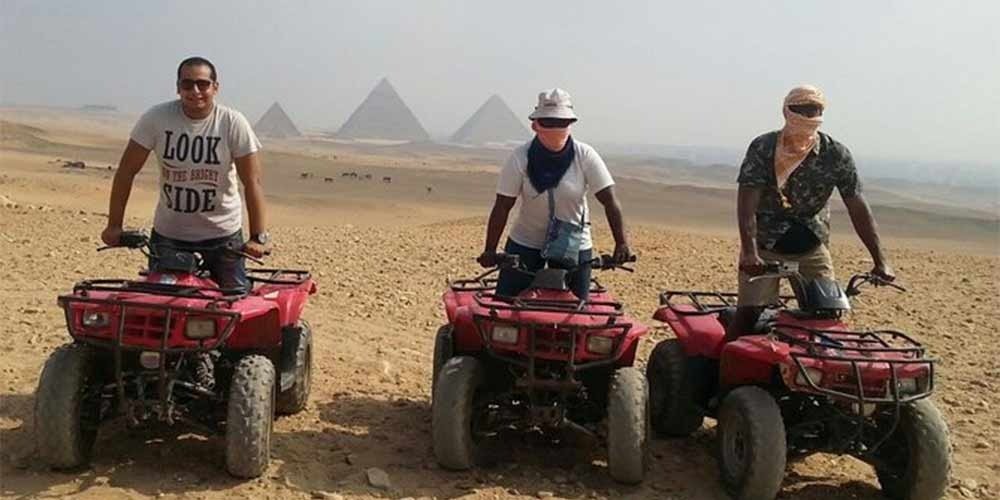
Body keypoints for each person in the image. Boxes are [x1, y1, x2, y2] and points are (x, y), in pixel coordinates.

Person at [99, 56, 269, 390]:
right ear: (177, 87)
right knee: (158, 318)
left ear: (215, 87)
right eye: (187, 84)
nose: (195, 91)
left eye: (203, 83)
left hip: (224, 239)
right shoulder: (157, 118)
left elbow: (254, 183)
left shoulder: (232, 123)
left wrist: (258, 236)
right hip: (169, 238)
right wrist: (113, 226)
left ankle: (237, 388)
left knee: (235, 318)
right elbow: (126, 172)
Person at [726, 84, 895, 342]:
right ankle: (721, 376)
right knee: (750, 315)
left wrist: (880, 259)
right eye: (801, 110)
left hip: (811, 243)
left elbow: (857, 205)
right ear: (786, 112)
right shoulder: (764, 148)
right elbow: (747, 202)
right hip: (766, 243)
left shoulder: (835, 154)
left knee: (827, 314)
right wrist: (749, 252)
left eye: (814, 110)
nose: (808, 116)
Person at [477, 88, 631, 300]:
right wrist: (490, 250)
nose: (556, 128)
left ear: (571, 124)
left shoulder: (585, 155)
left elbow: (610, 201)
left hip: (573, 243)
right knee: (505, 307)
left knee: (577, 316)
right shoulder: (520, 158)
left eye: (562, 122)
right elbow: (503, 205)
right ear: (535, 125)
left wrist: (621, 242)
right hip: (526, 242)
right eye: (549, 122)